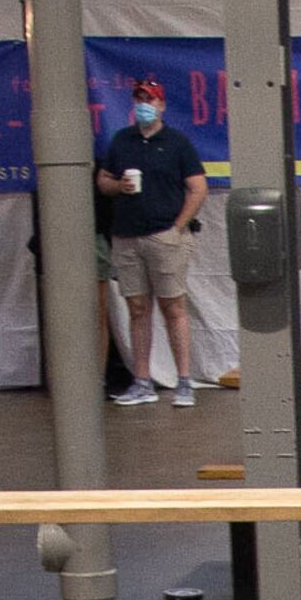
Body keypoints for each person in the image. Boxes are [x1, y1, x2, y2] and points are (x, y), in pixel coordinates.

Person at [96, 80, 207, 408]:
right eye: (139, 99)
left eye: (150, 99)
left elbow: (198, 188)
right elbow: (103, 181)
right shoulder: (122, 141)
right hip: (127, 236)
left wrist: (177, 227)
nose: (144, 104)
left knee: (174, 306)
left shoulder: (177, 143)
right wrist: (118, 186)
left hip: (164, 235)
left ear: (161, 105)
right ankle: (142, 380)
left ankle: (184, 380)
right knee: (137, 308)